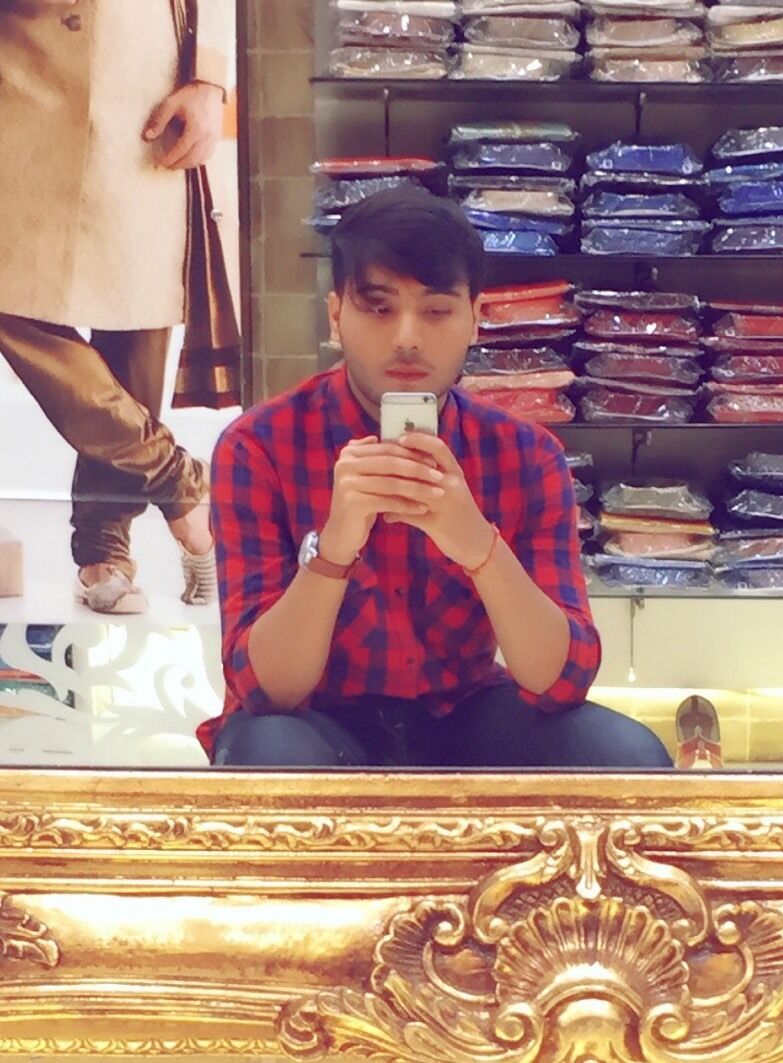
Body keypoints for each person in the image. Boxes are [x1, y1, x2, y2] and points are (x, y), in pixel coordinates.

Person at [199, 187, 672, 770]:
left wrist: (478, 545)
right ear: (335, 316)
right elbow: (266, 691)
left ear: (475, 318)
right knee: (268, 754)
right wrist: (333, 552)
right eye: (379, 308)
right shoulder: (259, 447)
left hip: (466, 711)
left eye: (437, 311)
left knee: (626, 757)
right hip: (318, 717)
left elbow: (562, 681)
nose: (407, 338)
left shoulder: (525, 454)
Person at [0, 0, 239, 614]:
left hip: (144, 75)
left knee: (135, 312)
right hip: (17, 62)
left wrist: (208, 79)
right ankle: (180, 482)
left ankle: (105, 548)